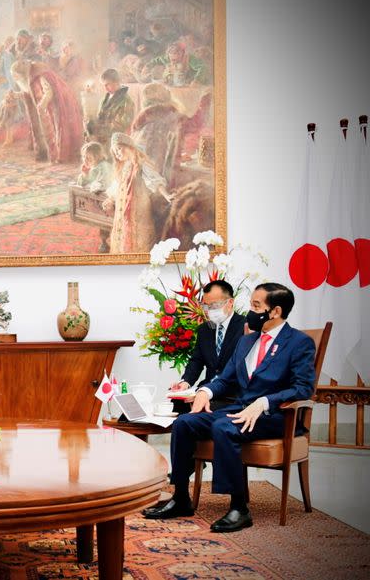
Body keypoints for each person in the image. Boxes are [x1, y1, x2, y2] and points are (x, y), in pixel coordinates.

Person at [144, 283, 316, 532]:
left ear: (275, 311)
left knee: (224, 426)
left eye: (256, 306)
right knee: (184, 423)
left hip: (276, 415)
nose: (251, 311)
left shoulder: (299, 342)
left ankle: (239, 508)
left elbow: (303, 388)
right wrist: (205, 391)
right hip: (241, 409)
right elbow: (226, 378)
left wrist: (264, 402)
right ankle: (181, 497)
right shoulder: (248, 341)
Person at [168, 280, 247, 413]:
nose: (211, 310)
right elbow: (197, 361)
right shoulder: (205, 329)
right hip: (207, 387)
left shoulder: (245, 327)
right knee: (178, 403)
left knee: (203, 410)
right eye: (207, 306)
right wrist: (185, 382)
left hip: (233, 392)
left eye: (215, 305)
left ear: (230, 302)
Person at [108, 132, 171, 253]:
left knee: (139, 234)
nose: (117, 154)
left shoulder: (141, 165)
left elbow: (155, 181)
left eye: (119, 149)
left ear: (129, 147)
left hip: (139, 207)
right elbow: (117, 185)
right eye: (115, 152)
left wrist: (166, 195)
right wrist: (110, 199)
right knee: (124, 232)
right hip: (123, 208)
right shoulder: (124, 166)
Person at [11, 59, 84, 164]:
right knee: (43, 132)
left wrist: (43, 104)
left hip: (54, 105)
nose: (15, 78)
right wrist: (16, 95)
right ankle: (45, 153)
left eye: (15, 75)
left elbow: (49, 91)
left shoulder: (40, 75)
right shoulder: (29, 77)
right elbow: (29, 92)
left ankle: (57, 155)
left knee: (54, 131)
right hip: (44, 109)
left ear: (21, 73)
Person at [86, 69, 135, 158]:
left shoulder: (126, 101)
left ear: (116, 82)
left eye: (107, 85)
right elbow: (100, 116)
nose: (105, 88)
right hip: (103, 134)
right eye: (104, 85)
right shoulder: (105, 98)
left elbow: (123, 123)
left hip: (116, 137)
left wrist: (101, 129)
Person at [77, 141, 115, 252]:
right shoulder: (94, 168)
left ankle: (105, 241)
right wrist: (84, 174)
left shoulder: (103, 167)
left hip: (108, 196)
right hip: (101, 197)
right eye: (84, 157)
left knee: (105, 219)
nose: (85, 160)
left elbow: (104, 183)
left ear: (98, 157)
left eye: (89, 158)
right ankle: (104, 239)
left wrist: (91, 183)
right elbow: (83, 183)